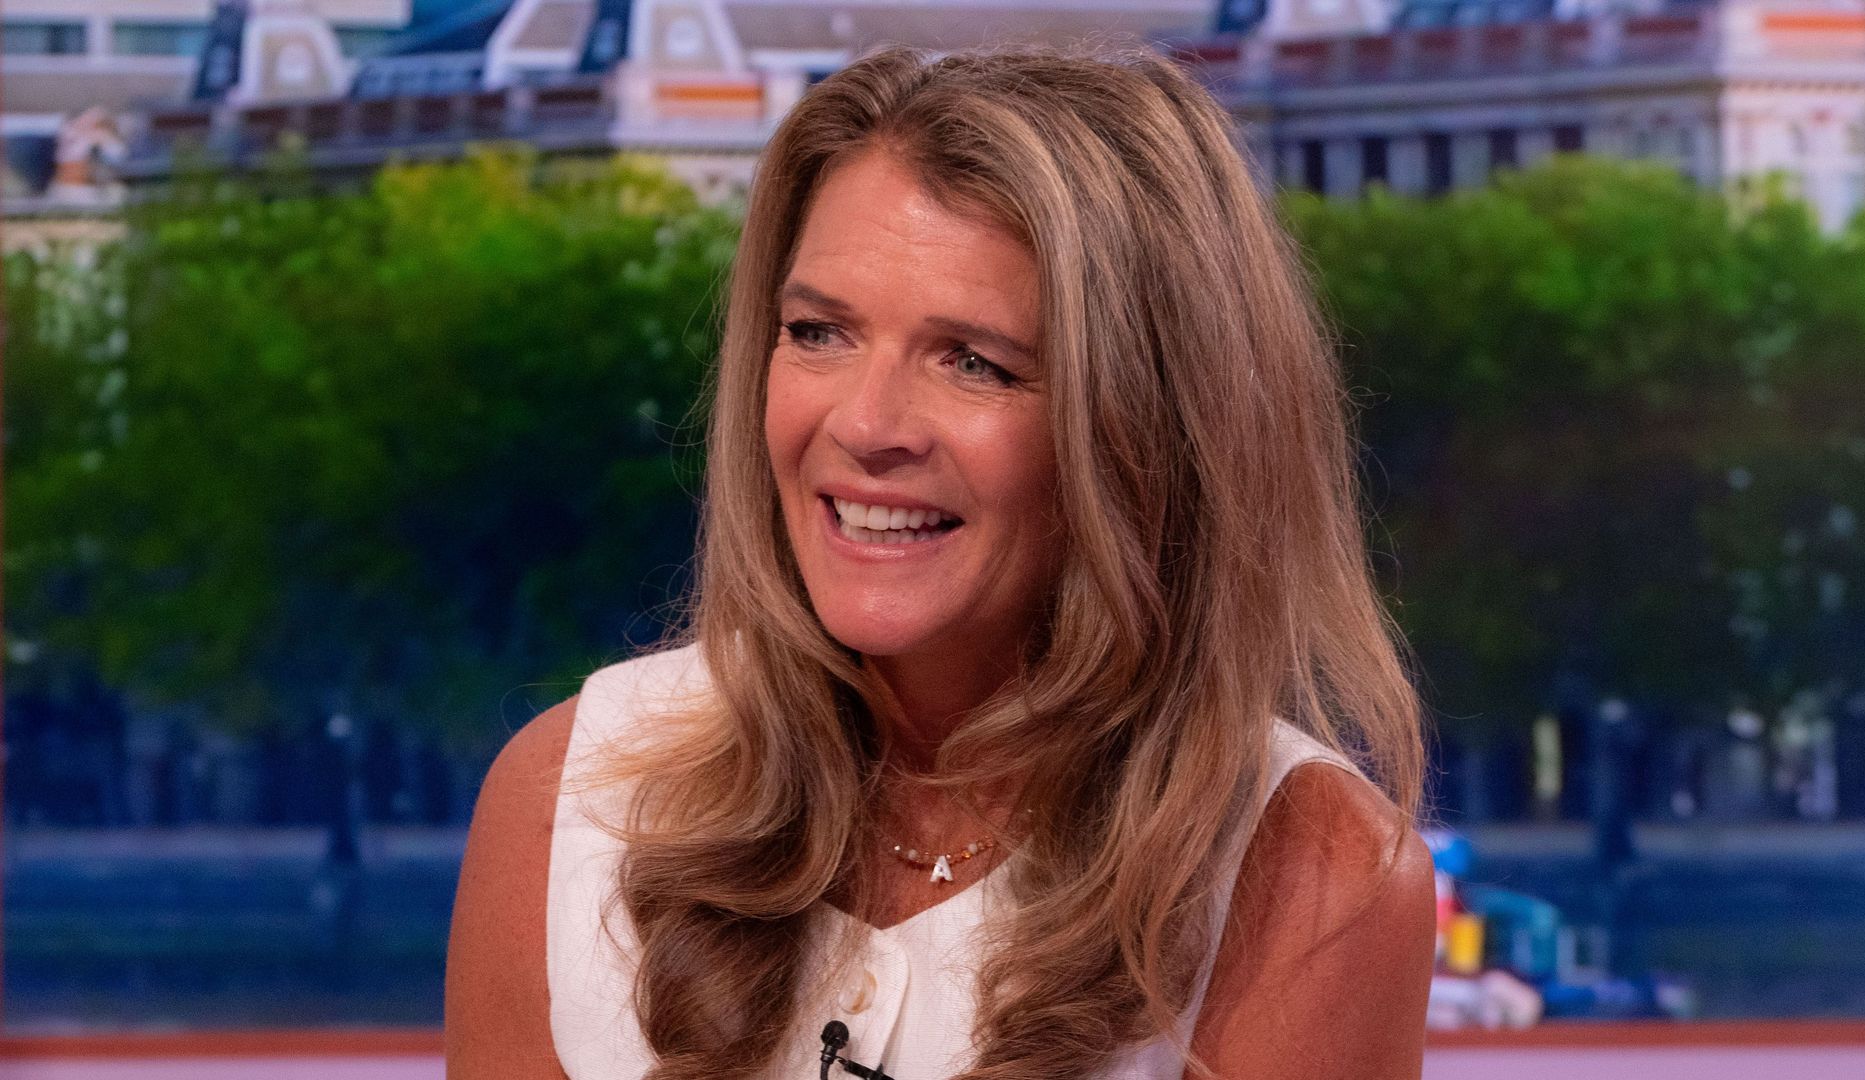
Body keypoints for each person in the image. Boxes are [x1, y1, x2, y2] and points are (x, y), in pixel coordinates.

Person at [446, 41, 1434, 1080]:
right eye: (818, 332)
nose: (866, 425)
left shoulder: (1313, 879)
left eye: (974, 362)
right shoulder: (570, 801)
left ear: (1151, 424)